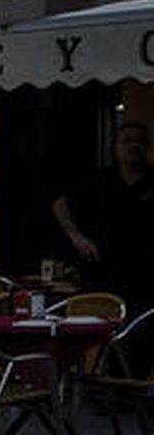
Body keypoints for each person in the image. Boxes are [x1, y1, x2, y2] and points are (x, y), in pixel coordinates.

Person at [53, 122, 153, 308]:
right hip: (102, 273)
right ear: (116, 147)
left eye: (140, 141)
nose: (134, 146)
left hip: (145, 276)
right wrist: (76, 237)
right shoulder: (99, 180)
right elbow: (60, 205)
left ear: (148, 147)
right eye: (127, 141)